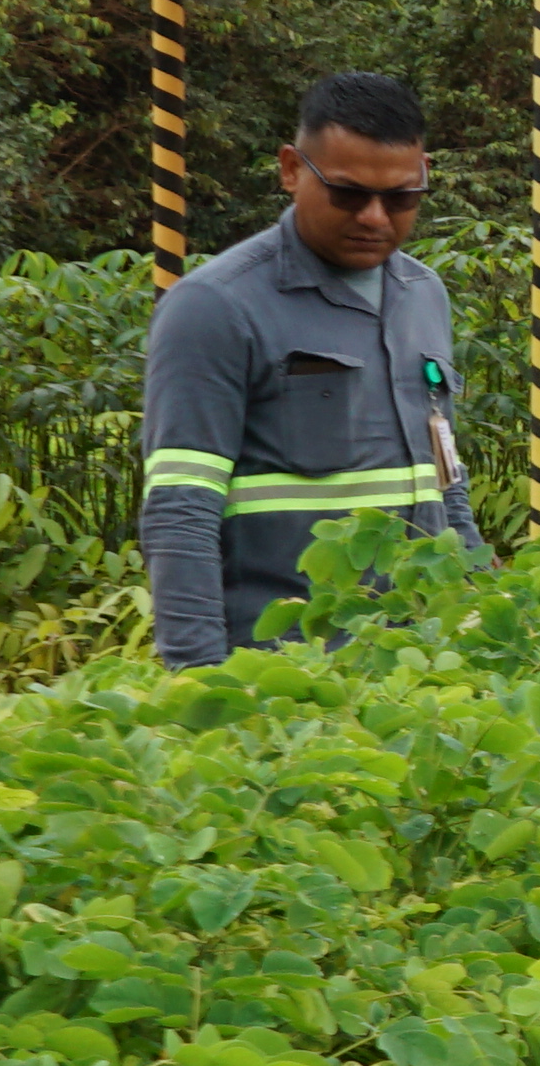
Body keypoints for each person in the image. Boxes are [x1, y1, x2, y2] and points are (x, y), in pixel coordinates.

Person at [140, 72, 473, 664]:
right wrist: (198, 680)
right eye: (348, 194)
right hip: (284, 674)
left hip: (418, 667)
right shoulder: (215, 307)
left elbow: (445, 478)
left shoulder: (425, 295)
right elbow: (181, 511)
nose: (375, 217)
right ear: (292, 169)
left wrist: (477, 603)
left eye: (400, 199)